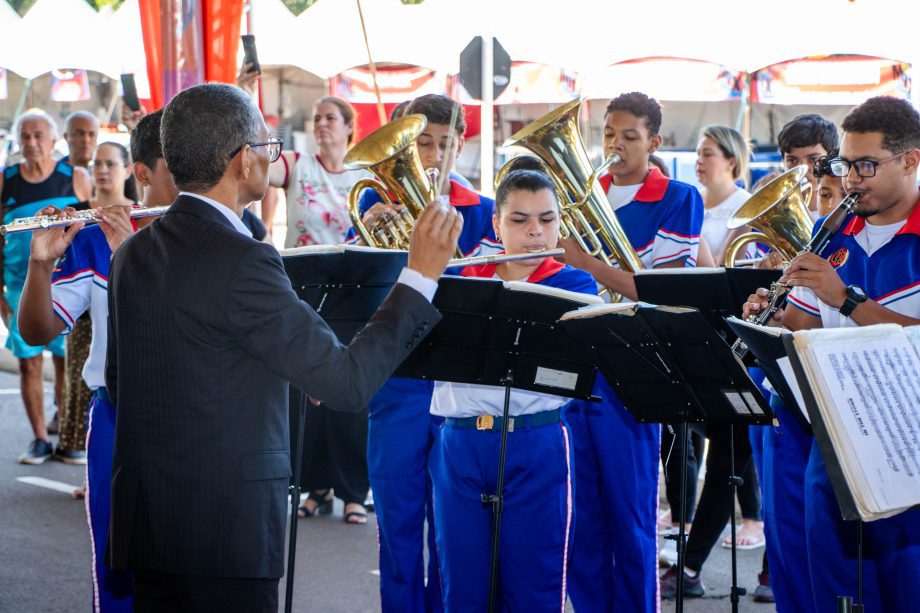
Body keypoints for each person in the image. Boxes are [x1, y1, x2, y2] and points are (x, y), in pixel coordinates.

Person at [103, 82, 461, 612]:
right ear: (244, 160)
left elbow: (124, 381)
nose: (272, 157)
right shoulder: (245, 260)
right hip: (226, 533)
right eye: (268, 147)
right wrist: (419, 277)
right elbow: (346, 384)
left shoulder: (131, 253)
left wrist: (279, 367)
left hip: (152, 524)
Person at [746, 95, 920, 612]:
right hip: (836, 439)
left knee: (904, 589)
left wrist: (846, 298)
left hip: (906, 443)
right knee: (832, 589)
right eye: (846, 165)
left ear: (911, 160)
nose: (851, 179)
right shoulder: (834, 231)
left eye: (866, 165)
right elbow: (804, 326)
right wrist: (773, 318)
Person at [18, 112, 177, 613]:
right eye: (183, 166)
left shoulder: (231, 232)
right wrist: (40, 264)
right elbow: (37, 330)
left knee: (197, 568)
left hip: (203, 421)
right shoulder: (93, 239)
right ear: (145, 173)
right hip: (119, 417)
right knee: (117, 571)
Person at [352, 93, 499, 612]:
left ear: (460, 147)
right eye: (422, 145)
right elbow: (359, 305)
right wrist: (379, 244)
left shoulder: (484, 213)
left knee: (455, 532)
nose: (434, 156)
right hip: (398, 388)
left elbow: (486, 302)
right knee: (398, 526)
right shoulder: (373, 210)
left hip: (459, 392)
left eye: (444, 144)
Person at [559, 92, 703, 612]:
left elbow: (663, 289)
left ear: (655, 142)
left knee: (631, 513)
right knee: (582, 517)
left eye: (630, 137)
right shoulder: (580, 194)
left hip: (637, 364)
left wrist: (589, 263)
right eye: (609, 135)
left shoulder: (680, 196)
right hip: (577, 363)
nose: (615, 146)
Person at [429, 169, 597, 610]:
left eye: (547, 219)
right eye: (520, 221)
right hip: (460, 441)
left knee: (535, 588)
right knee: (463, 588)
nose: (536, 232)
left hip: (535, 439)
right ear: (497, 225)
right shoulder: (456, 281)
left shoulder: (575, 285)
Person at [0, 108, 92, 464]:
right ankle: (39, 438)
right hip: (18, 287)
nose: (32, 143)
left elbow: (88, 232)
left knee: (67, 363)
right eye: (25, 136)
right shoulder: (6, 180)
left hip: (66, 286)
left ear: (54, 141)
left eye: (39, 136)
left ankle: (65, 427)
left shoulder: (76, 178)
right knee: (29, 364)